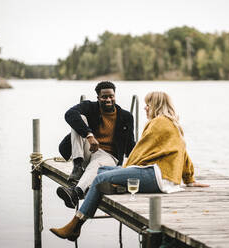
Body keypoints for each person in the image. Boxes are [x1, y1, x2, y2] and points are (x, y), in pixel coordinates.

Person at [50, 91, 209, 241]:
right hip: (161, 176)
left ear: (158, 105)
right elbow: (183, 152)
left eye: (148, 104)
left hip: (155, 175)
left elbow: (140, 150)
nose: (145, 108)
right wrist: (189, 179)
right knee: (102, 170)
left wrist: (126, 169)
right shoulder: (173, 124)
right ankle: (112, 186)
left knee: (100, 178)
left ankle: (76, 224)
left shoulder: (158, 123)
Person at [57, 81, 135, 209]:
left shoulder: (126, 117)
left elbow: (130, 144)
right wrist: (89, 135)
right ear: (98, 98)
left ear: (115, 96)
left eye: (111, 96)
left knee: (96, 165)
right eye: (104, 97)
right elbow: (69, 114)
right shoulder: (90, 107)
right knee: (79, 119)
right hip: (88, 151)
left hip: (109, 156)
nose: (108, 99)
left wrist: (141, 161)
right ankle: (77, 166)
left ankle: (75, 193)